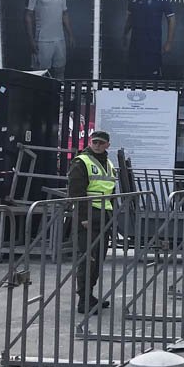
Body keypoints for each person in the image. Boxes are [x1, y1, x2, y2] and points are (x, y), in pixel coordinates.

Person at [67, 130, 118, 314]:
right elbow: (76, 193)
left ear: (107, 145)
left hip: (104, 216)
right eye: (94, 142)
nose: (97, 145)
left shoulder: (108, 164)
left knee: (98, 259)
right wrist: (83, 219)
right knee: (88, 258)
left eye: (101, 142)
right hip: (89, 215)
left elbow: (110, 191)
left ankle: (90, 295)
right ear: (90, 142)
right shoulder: (82, 162)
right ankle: (83, 299)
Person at [123, 0, 176, 78]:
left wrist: (169, 42)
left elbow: (171, 19)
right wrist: (124, 34)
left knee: (151, 79)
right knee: (133, 77)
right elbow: (130, 19)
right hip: (135, 45)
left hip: (152, 46)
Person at [25, 0, 74, 79]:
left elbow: (65, 14)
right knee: (41, 74)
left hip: (60, 40)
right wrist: (31, 39)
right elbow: (28, 16)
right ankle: (42, 98)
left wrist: (70, 35)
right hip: (42, 40)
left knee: (60, 70)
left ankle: (59, 97)